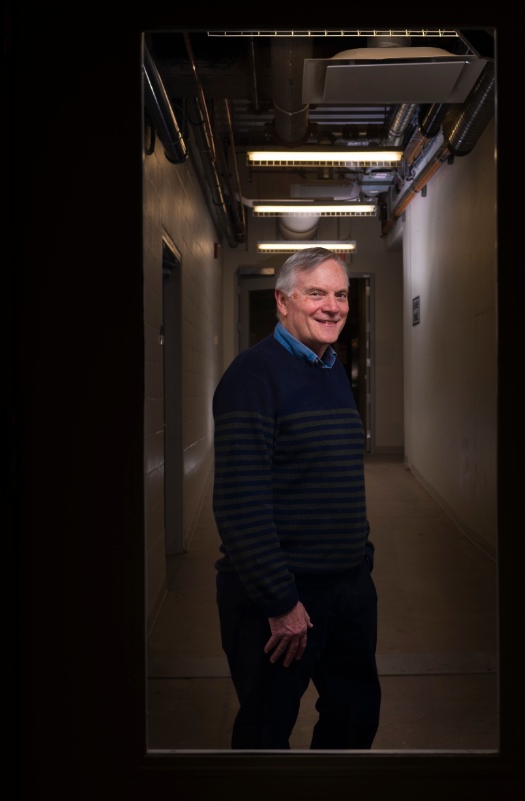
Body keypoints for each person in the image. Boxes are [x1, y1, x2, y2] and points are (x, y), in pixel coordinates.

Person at [211, 246, 380, 749]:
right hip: (281, 598)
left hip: (347, 590)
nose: (333, 306)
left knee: (355, 718)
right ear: (283, 302)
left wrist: (360, 564)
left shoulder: (329, 370)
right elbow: (240, 503)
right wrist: (281, 600)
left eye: (342, 294)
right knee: (266, 730)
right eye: (317, 294)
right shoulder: (252, 376)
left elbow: (339, 476)